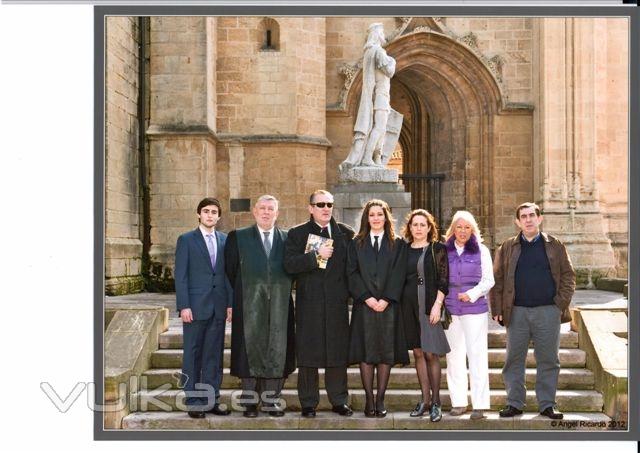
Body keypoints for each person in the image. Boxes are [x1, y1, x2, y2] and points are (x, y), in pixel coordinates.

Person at [490, 202, 576, 420]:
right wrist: (497, 308)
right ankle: (515, 403)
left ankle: (547, 404)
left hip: (548, 311)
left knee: (548, 359)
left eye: (532, 215)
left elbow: (568, 276)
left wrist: (559, 304)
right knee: (513, 359)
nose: (528, 220)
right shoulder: (507, 247)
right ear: (517, 221)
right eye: (523, 216)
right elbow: (497, 279)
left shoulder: (555, 245)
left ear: (540, 219)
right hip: (516, 311)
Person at [284, 190, 355, 418]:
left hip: (337, 303)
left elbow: (351, 270)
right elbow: (289, 265)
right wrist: (316, 256)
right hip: (309, 304)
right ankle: (308, 402)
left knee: (337, 353)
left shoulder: (346, 233)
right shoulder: (297, 234)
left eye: (329, 204)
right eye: (321, 204)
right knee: (308, 354)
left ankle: (339, 400)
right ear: (310, 208)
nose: (326, 208)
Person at [225, 195, 296, 418]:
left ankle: (271, 401)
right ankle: (249, 402)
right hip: (248, 302)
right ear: (254, 212)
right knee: (249, 350)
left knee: (277, 350)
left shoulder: (288, 239)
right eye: (262, 208)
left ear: (277, 213)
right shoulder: (238, 237)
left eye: (271, 209)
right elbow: (230, 270)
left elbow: (295, 268)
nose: (266, 212)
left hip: (280, 303)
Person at [347, 199, 409, 418]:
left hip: (388, 306)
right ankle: (369, 400)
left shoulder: (398, 243)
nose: (376, 218)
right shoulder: (356, 243)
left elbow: (400, 273)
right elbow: (351, 273)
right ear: (367, 218)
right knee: (366, 352)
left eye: (380, 214)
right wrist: (366, 297)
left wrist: (386, 298)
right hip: (364, 306)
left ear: (386, 217)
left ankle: (380, 398)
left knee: (385, 353)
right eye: (372, 214)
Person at [174, 197, 233, 419]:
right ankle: (193, 401)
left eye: (214, 212)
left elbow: (228, 275)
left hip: (218, 307)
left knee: (214, 356)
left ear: (219, 216)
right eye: (206, 211)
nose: (210, 215)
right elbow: (180, 276)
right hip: (195, 308)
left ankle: (211, 400)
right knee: (193, 355)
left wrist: (230, 304)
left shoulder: (225, 240)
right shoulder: (187, 240)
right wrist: (184, 306)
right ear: (199, 214)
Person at [443, 211, 494, 420]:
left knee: (477, 355)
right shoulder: (444, 251)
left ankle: (480, 405)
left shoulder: (481, 251)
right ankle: (459, 402)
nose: (462, 231)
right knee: (454, 356)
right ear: (453, 229)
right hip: (451, 309)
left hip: (475, 309)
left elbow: (488, 280)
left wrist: (471, 294)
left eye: (467, 227)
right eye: (459, 227)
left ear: (472, 230)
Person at [400, 209, 450, 422]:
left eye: (423, 224)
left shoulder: (436, 248)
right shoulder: (403, 249)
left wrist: (438, 305)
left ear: (429, 228)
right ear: (409, 228)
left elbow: (443, 280)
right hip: (407, 305)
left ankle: (437, 402)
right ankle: (425, 400)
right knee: (418, 353)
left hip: (428, 304)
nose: (418, 228)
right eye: (415, 224)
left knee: (431, 353)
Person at [340, 23, 396, 169]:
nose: (384, 34)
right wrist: (393, 61)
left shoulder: (370, 52)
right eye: (382, 32)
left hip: (379, 96)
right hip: (381, 96)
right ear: (377, 35)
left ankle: (376, 158)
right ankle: (367, 157)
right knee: (380, 128)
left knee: (380, 127)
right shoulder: (378, 52)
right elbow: (389, 71)